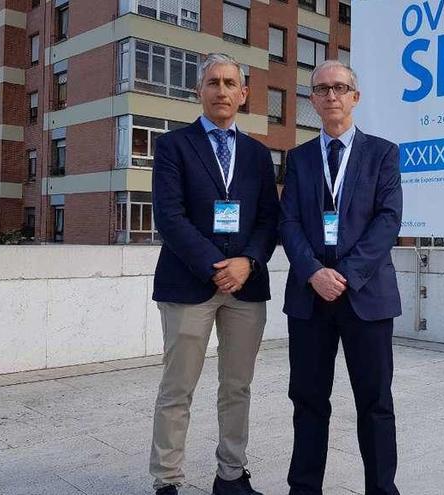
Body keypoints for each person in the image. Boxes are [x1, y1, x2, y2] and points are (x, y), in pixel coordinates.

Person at [149, 53, 279, 495]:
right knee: (177, 389)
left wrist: (247, 263)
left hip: (246, 287)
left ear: (243, 94)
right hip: (189, 285)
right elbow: (169, 217)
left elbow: (268, 219)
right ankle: (167, 481)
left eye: (230, 83)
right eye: (213, 82)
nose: (221, 91)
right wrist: (214, 267)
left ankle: (231, 476)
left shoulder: (260, 155)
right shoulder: (172, 146)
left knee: (237, 388)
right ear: (199, 91)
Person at [280, 59, 403, 495]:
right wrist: (313, 272)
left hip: (366, 297)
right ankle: (304, 488)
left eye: (339, 87)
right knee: (308, 401)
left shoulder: (383, 153)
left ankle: (382, 490)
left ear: (355, 96)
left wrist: (345, 276)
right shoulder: (297, 159)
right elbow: (288, 221)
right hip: (309, 299)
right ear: (312, 100)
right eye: (321, 89)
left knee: (375, 403)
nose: (330, 95)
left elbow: (388, 221)